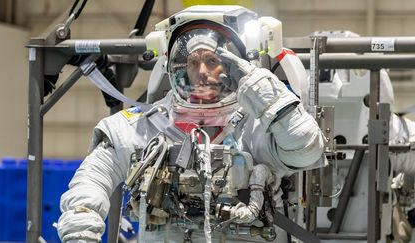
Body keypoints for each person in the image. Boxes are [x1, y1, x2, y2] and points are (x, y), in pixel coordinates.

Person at [56, 5, 327, 243]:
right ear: (178, 67)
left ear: (235, 65)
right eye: (193, 62)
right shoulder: (150, 125)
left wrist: (260, 90)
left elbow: (306, 149)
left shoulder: (259, 125)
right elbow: (93, 178)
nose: (201, 72)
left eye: (213, 61)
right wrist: (82, 227)